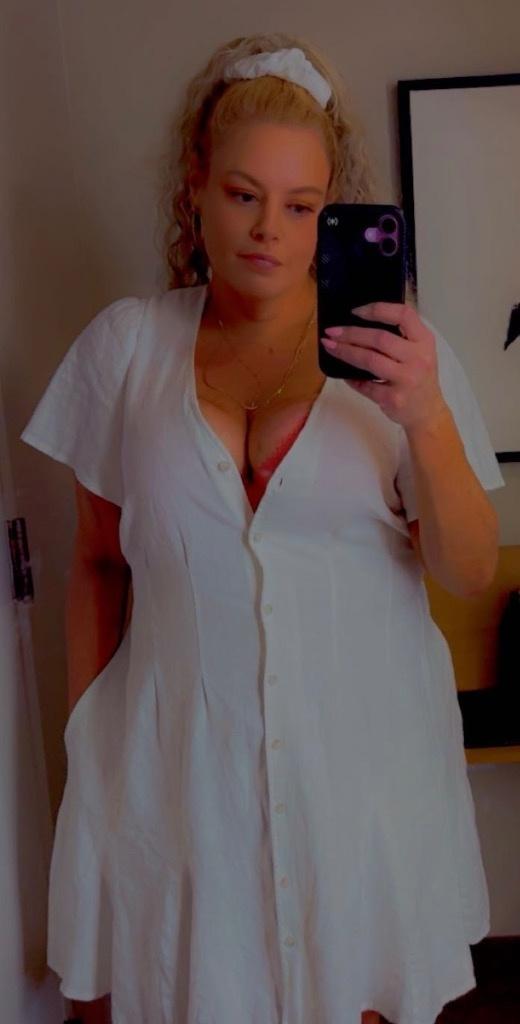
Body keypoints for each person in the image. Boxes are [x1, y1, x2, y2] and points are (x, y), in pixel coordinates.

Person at [20, 31, 505, 1024]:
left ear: (332, 209)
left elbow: (463, 568)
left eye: (301, 204)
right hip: (178, 772)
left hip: (363, 768)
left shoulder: (406, 359)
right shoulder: (124, 351)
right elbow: (100, 565)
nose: (269, 231)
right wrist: (91, 750)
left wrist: (426, 419)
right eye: (244, 194)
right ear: (196, 187)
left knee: (359, 993)